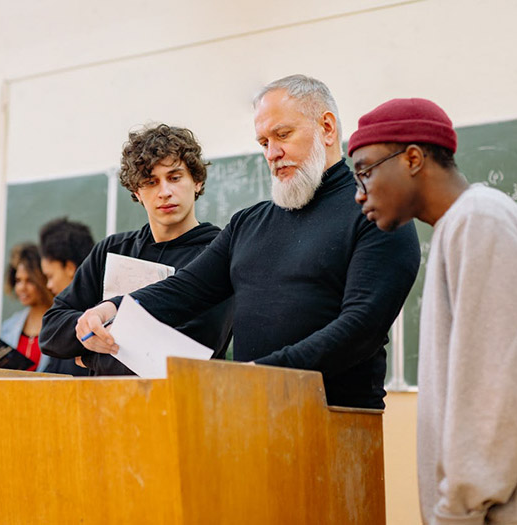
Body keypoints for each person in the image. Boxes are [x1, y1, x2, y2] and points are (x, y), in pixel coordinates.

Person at [74, 74, 420, 409]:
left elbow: (359, 329)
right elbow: (185, 290)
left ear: (327, 128)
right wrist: (114, 308)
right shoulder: (249, 223)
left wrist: (261, 375)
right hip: (250, 413)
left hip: (334, 420)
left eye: (282, 135)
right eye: (264, 143)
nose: (272, 153)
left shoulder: (377, 213)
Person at [348, 98, 517, 524]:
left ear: (412, 158)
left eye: (365, 171)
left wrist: (458, 510)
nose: (358, 193)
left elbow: (493, 394)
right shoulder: (456, 227)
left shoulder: (479, 221)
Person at [39, 124, 234, 375]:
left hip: (179, 405)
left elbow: (189, 350)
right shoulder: (112, 250)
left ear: (196, 181)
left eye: (174, 178)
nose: (164, 192)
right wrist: (103, 337)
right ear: (136, 192)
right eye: (150, 182)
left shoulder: (219, 254)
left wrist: (89, 358)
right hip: (105, 407)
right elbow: (52, 330)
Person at [37, 217, 95, 376]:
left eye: (50, 276)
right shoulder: (61, 321)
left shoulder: (94, 317)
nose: (48, 286)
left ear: (69, 268)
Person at [0, 243, 55, 372]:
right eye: (18, 280)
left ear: (43, 279)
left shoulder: (60, 324)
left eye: (29, 280)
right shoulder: (9, 326)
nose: (21, 288)